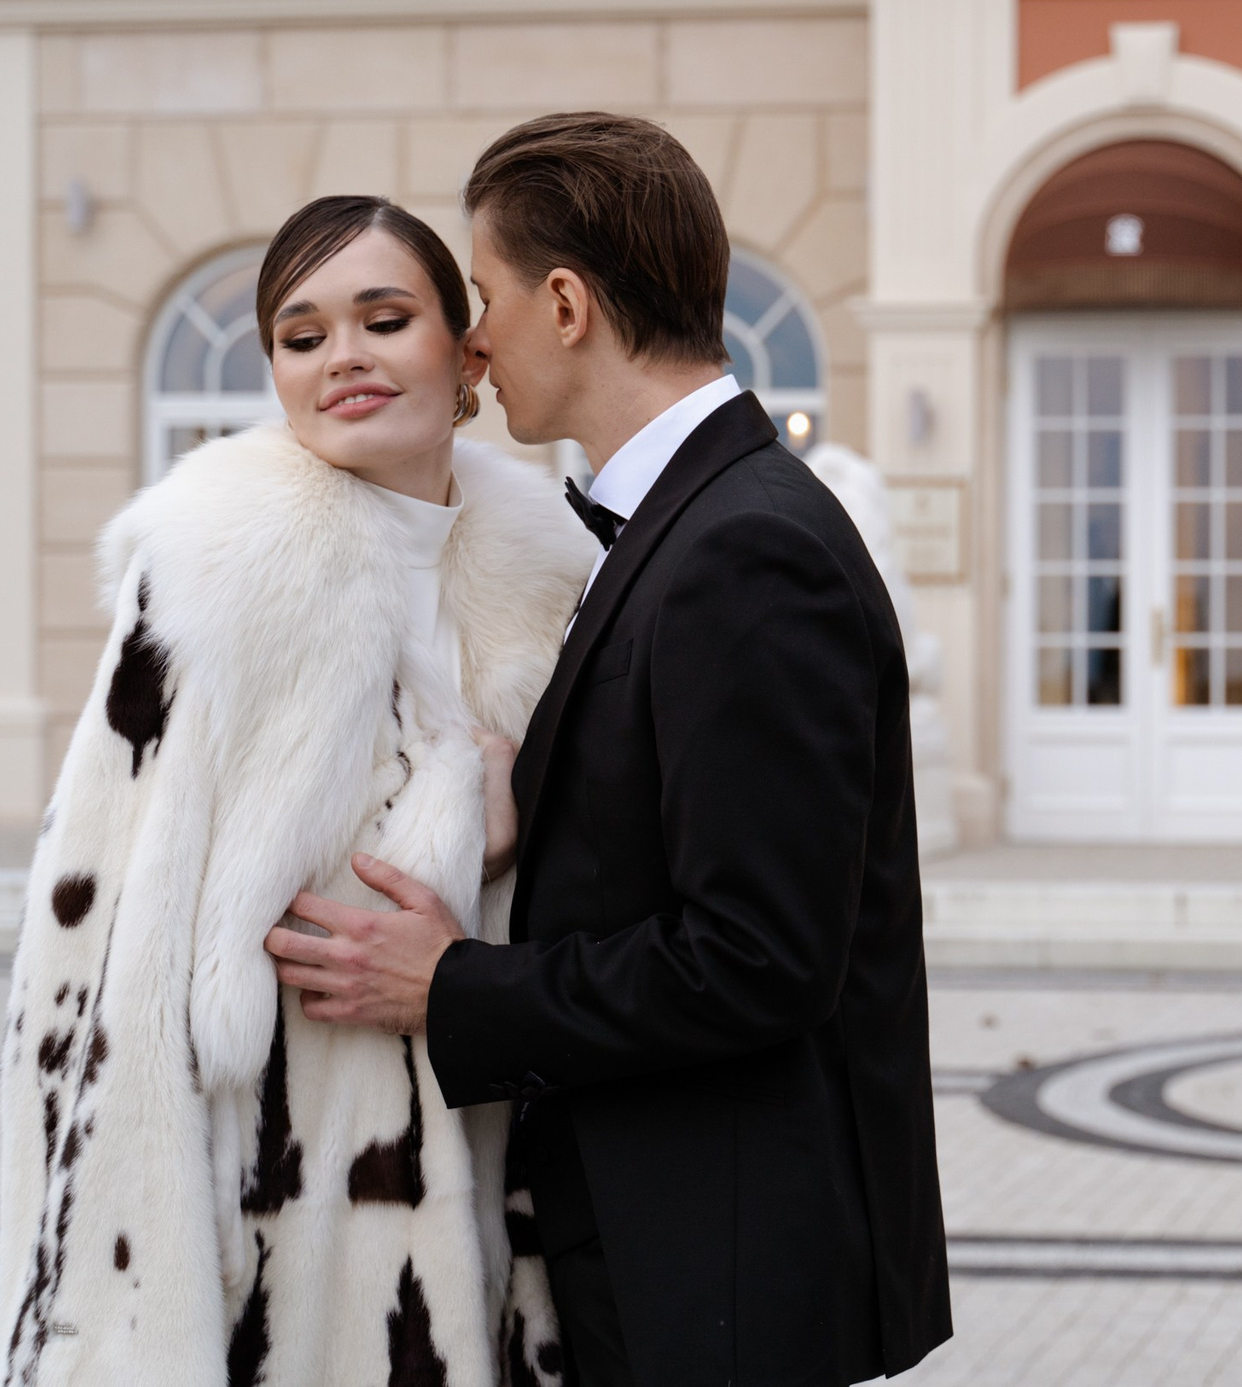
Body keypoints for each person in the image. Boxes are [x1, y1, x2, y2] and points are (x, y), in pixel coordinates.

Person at [262, 113, 954, 1387]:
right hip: (674, 1263)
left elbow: (757, 958)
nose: (475, 340)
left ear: (568, 305)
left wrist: (453, 989)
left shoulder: (746, 547)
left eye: (486, 297)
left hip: (718, 1283)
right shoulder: (687, 524)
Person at [0, 197, 595, 1387]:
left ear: (466, 353)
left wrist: (508, 837)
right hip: (272, 1249)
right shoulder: (213, 579)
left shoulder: (559, 592)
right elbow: (102, 967)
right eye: (302, 336)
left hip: (503, 1233)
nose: (344, 357)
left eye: (385, 319)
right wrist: (138, 1318)